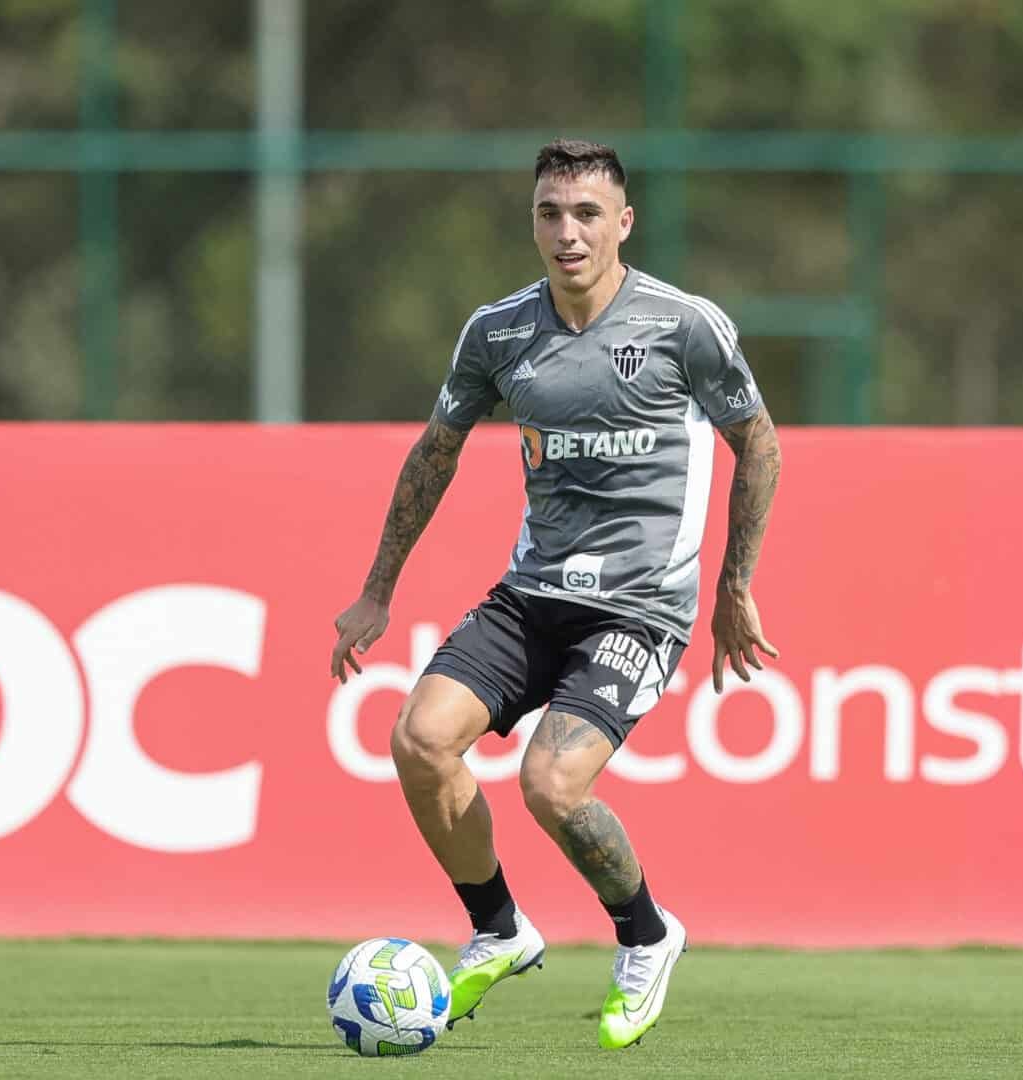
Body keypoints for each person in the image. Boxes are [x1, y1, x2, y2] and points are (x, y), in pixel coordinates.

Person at [330, 138, 781, 1050]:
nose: (567, 232)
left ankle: (646, 936)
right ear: (532, 223)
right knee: (419, 740)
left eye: (586, 214)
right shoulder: (497, 332)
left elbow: (760, 445)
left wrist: (735, 588)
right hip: (532, 594)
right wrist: (376, 590)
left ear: (624, 223)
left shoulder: (683, 326)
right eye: (549, 213)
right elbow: (436, 453)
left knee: (550, 782)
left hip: (640, 608)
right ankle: (499, 928)